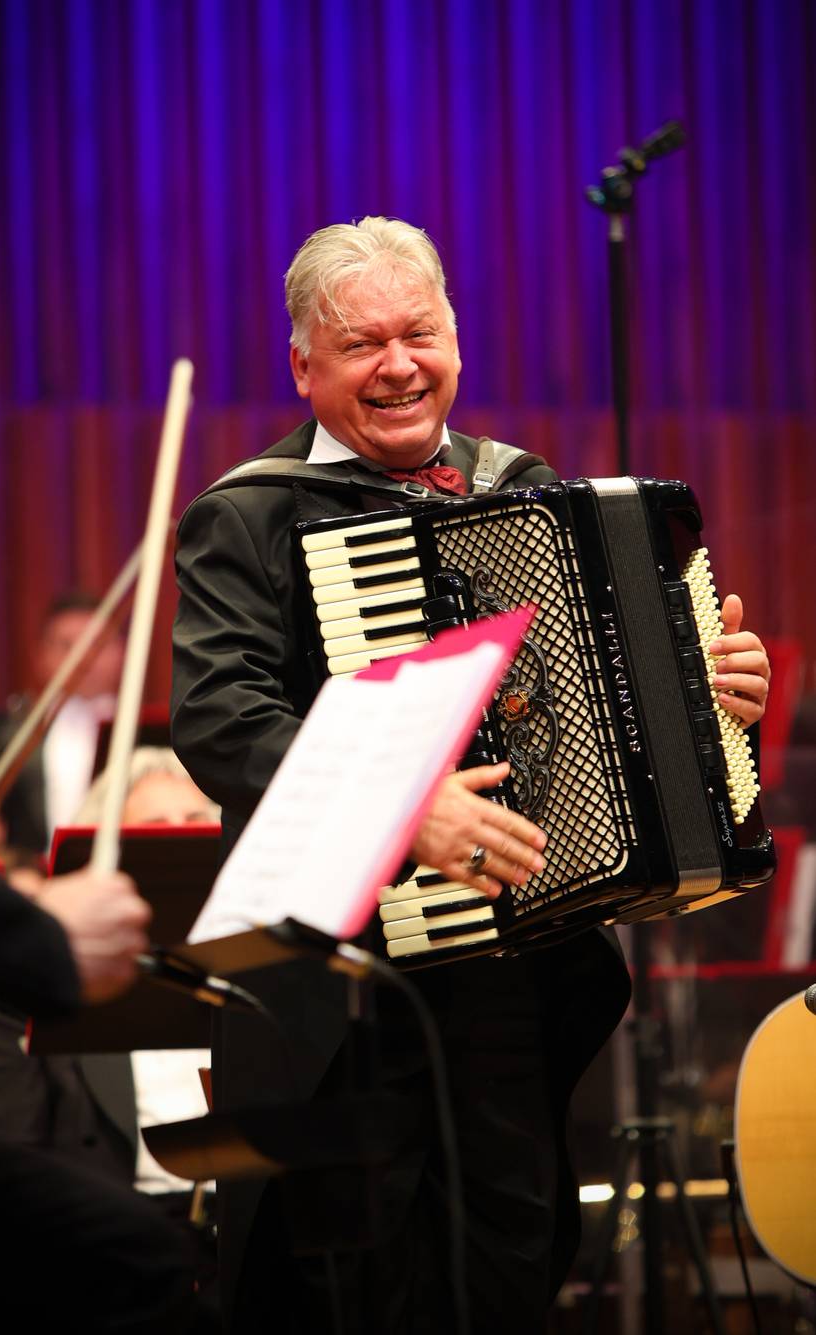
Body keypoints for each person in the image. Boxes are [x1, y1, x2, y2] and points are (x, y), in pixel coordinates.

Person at [169, 217, 772, 1333]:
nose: (398, 365)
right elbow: (217, 720)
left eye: (421, 334)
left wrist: (711, 698)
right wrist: (396, 801)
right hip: (339, 999)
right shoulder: (246, 516)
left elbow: (608, 712)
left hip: (511, 986)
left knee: (506, 1272)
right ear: (302, 364)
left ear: (456, 341)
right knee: (345, 1293)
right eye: (359, 344)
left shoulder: (522, 488)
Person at [0, 815, 204, 1333]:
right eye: (153, 827)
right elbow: (7, 1143)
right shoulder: (26, 996)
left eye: (193, 823)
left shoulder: (244, 986)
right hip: (128, 1220)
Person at [0, 590, 126, 869]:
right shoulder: (7, 731)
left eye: (97, 644)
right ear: (41, 655)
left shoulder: (153, 731)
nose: (84, 657)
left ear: (121, 650)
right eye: (66, 645)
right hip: (31, 883)